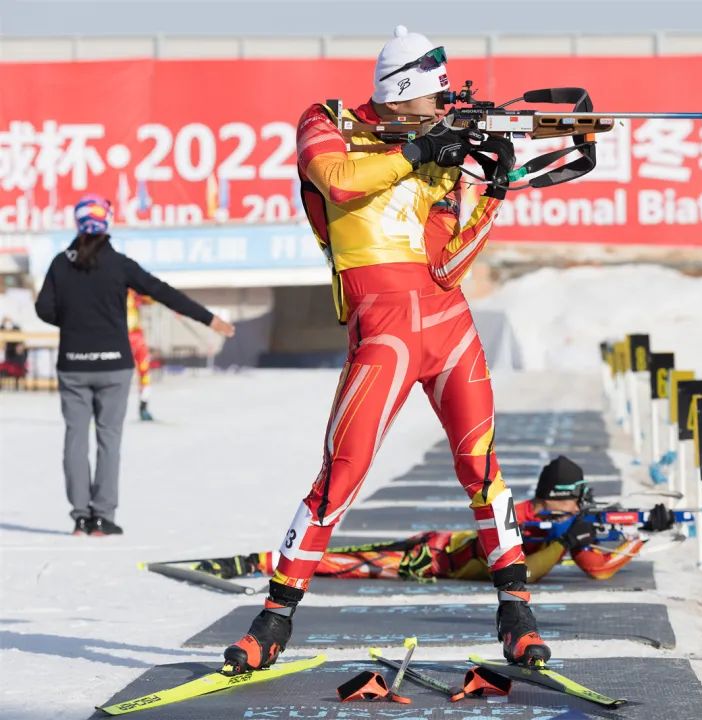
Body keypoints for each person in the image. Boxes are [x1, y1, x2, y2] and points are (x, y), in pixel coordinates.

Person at [222, 25, 537, 675]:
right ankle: (273, 620)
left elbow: (450, 266)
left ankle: (517, 614)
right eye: (435, 98)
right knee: (341, 474)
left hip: (449, 323)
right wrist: (418, 149)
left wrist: (493, 193)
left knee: (481, 467)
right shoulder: (326, 121)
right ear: (402, 94)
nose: (444, 108)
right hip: (383, 329)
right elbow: (338, 182)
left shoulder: (439, 151)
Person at [34, 195, 235, 536]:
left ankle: (80, 518)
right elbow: (163, 292)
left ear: (78, 223)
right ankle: (103, 518)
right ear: (106, 223)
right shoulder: (119, 264)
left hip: (74, 364)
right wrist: (209, 319)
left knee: (75, 439)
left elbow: (44, 309)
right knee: (109, 440)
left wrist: (73, 322)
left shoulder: (60, 264)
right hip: (114, 366)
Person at [194, 456, 676, 583]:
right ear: (562, 499)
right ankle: (261, 563)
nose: (585, 505)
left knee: (348, 558)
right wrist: (574, 542)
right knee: (347, 562)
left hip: (446, 546)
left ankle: (267, 562)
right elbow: (537, 571)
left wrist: (638, 529)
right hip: (434, 558)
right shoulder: (524, 517)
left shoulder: (557, 520)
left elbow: (594, 559)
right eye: (579, 500)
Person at [126, 290, 155, 421]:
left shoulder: (134, 293)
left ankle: (144, 406)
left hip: (136, 337)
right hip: (116, 337)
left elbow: (152, 298)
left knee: (145, 371)